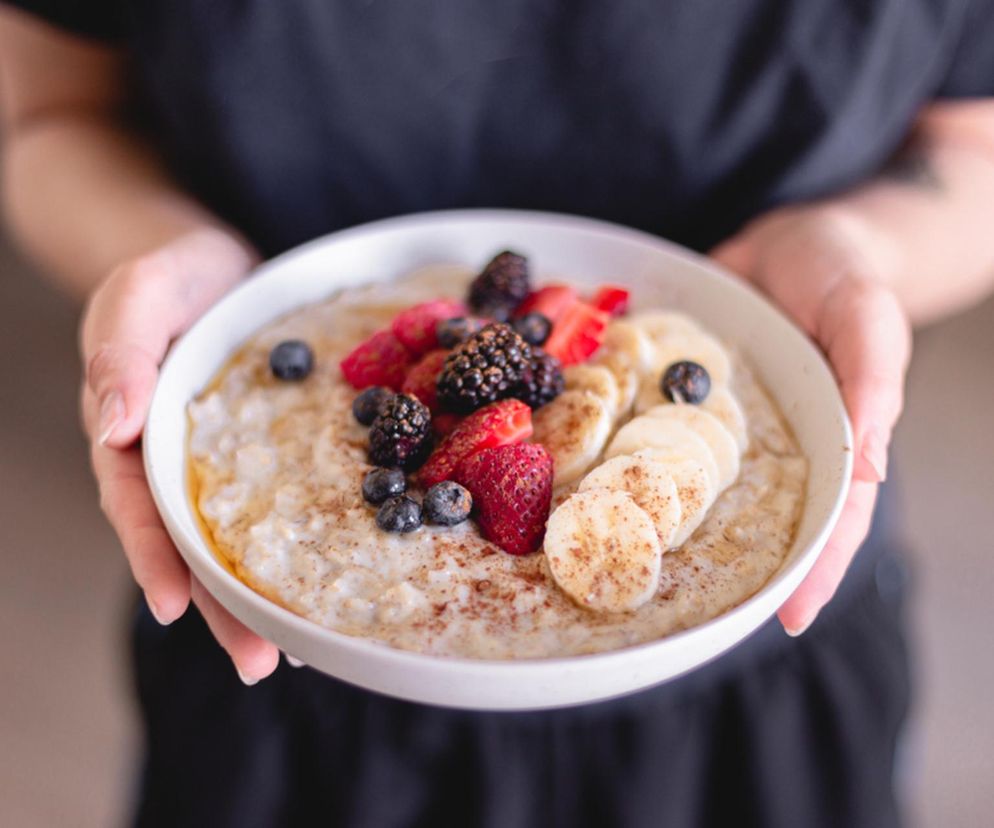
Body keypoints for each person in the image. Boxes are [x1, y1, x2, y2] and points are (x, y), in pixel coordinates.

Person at [2, 2, 993, 826]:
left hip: (755, 682)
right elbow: (47, 113)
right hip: (276, 687)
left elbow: (973, 148)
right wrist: (165, 256)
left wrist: (859, 251)